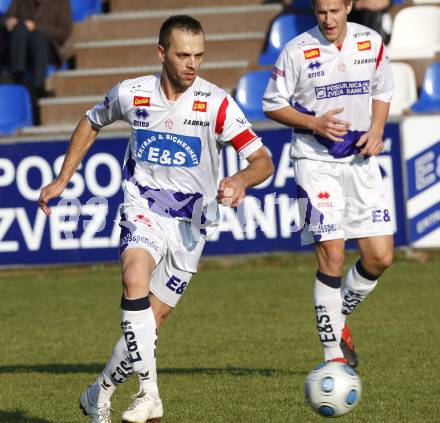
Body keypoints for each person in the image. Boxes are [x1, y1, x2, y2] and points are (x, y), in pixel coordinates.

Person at [38, 15, 274, 423]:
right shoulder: (132, 93)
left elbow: (263, 160)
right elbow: (92, 121)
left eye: (199, 55)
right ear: (161, 53)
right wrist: (62, 179)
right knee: (134, 278)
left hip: (192, 224)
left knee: (152, 320)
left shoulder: (216, 103)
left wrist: (240, 179)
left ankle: (100, 392)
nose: (192, 64)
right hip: (142, 206)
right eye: (183, 55)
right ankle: (150, 393)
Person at [263, 0, 394, 367]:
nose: (328, 18)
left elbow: (382, 90)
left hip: (359, 159)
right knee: (332, 255)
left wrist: (378, 129)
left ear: (349, 6)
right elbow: (272, 104)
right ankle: (333, 357)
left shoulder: (371, 42)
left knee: (380, 257)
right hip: (314, 161)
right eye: (321, 11)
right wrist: (315, 124)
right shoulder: (297, 50)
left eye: (335, 10)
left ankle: (334, 316)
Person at [3, 0, 72, 99]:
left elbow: (64, 33)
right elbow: (7, 17)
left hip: (47, 48)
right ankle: (17, 74)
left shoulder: (61, 2)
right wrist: (9, 21)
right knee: (20, 29)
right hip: (20, 46)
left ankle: (39, 85)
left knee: (37, 38)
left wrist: (36, 27)